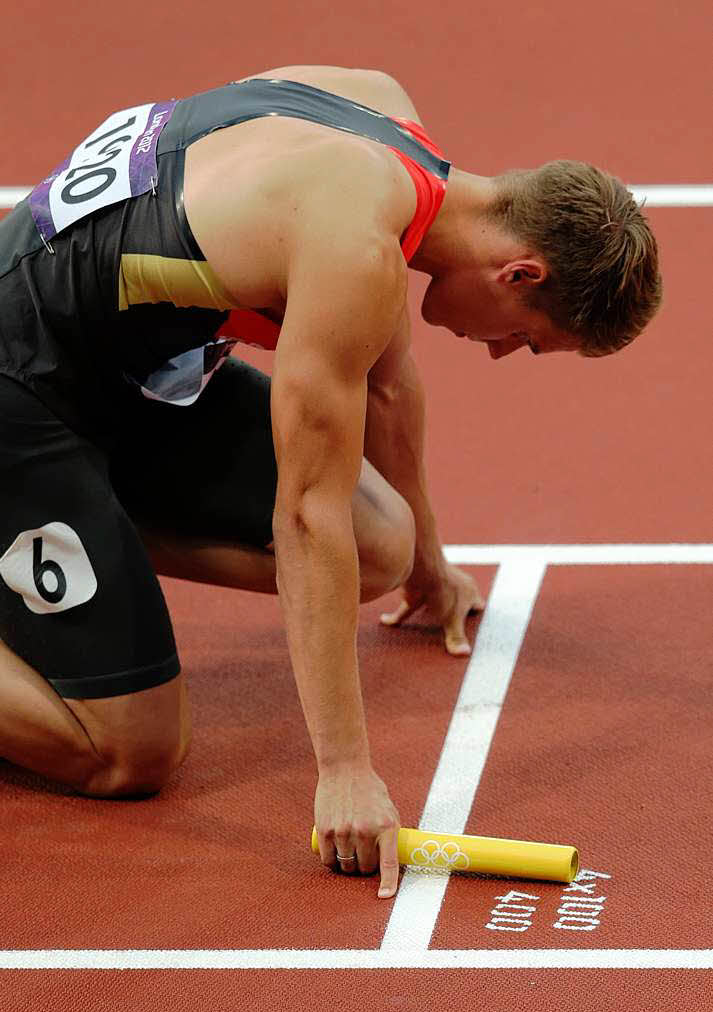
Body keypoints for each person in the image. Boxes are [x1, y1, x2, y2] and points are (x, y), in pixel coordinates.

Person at [0, 65, 661, 899]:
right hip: (21, 383)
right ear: (520, 275)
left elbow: (386, 382)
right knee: (128, 751)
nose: (498, 353)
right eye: (526, 340)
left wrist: (429, 560)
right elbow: (306, 515)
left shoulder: (378, 116)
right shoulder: (352, 247)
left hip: (124, 371)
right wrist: (345, 768)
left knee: (381, 546)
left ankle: (50, 540)